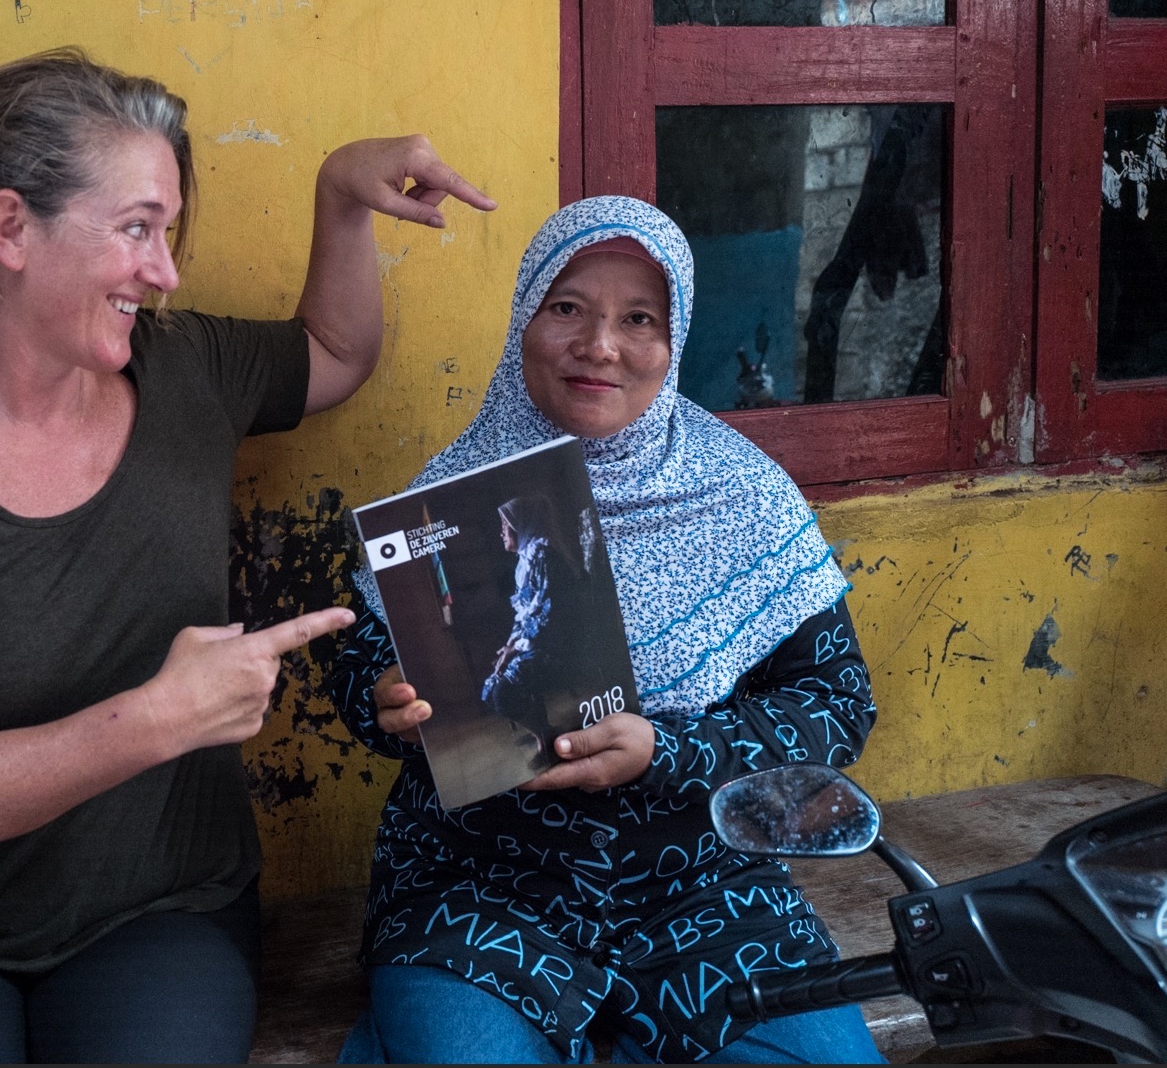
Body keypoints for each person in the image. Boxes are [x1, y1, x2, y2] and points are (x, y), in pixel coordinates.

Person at [0, 48, 494, 1063]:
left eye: (166, 232)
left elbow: (335, 355)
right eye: (135, 230)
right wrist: (158, 720)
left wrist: (340, 198)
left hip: (157, 909)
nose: (164, 271)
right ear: (10, 229)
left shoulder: (184, 369)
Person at [330, 197, 885, 1064]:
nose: (599, 346)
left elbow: (835, 702)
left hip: (704, 884)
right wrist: (382, 699)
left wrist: (669, 751)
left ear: (675, 339)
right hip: (477, 888)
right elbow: (357, 653)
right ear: (524, 321)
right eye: (567, 308)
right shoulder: (450, 494)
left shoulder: (744, 495)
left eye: (639, 319)